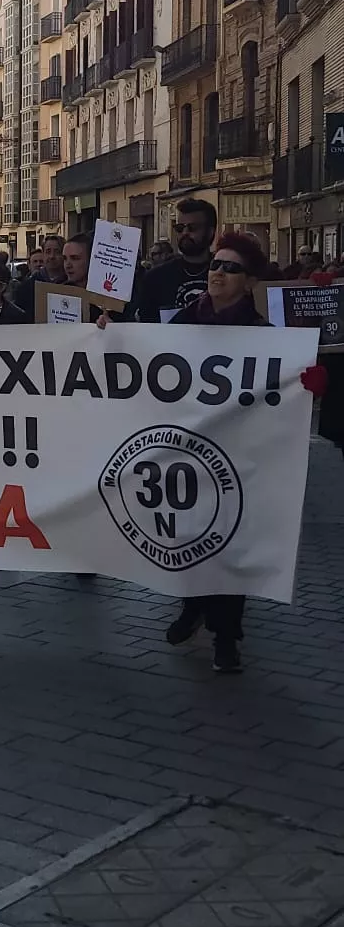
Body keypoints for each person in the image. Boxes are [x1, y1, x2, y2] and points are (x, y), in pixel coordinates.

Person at [166, 233, 272, 674]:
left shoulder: (263, 335)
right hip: (186, 453)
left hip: (236, 458)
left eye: (230, 268)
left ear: (248, 282)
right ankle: (193, 606)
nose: (217, 274)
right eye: (215, 265)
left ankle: (226, 637)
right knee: (188, 534)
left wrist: (309, 381)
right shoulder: (181, 322)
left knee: (228, 544)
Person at [135, 198, 216, 320]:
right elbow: (144, 326)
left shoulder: (228, 274)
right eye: (179, 228)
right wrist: (110, 327)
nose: (185, 233)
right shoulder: (156, 277)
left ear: (210, 232)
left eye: (193, 228)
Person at [14, 233, 68, 317]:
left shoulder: (72, 284)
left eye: (57, 252)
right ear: (43, 254)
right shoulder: (27, 287)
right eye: (48, 251)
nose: (52, 256)